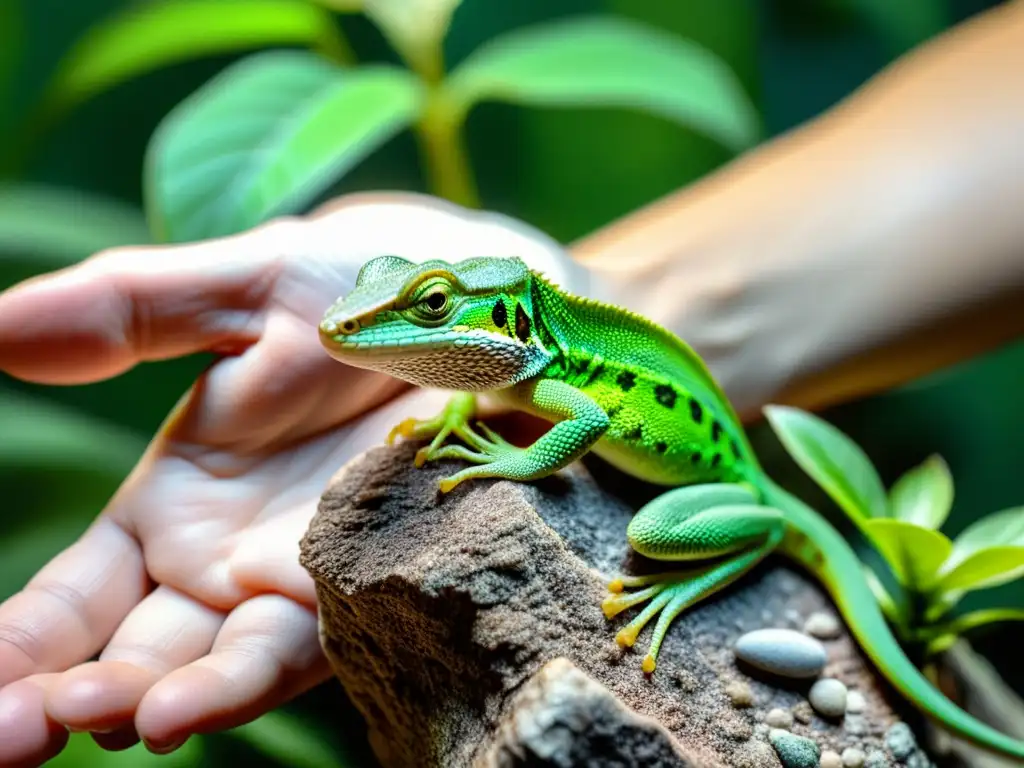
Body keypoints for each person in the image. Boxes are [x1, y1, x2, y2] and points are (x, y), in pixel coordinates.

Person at [1, 1, 1023, 764]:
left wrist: (505, 453)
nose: (373, 328)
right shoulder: (508, 365)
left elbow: (576, 420)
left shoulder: (555, 389)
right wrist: (465, 399)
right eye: (398, 301)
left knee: (655, 538)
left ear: (503, 317)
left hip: (727, 501)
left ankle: (701, 582)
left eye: (433, 307)